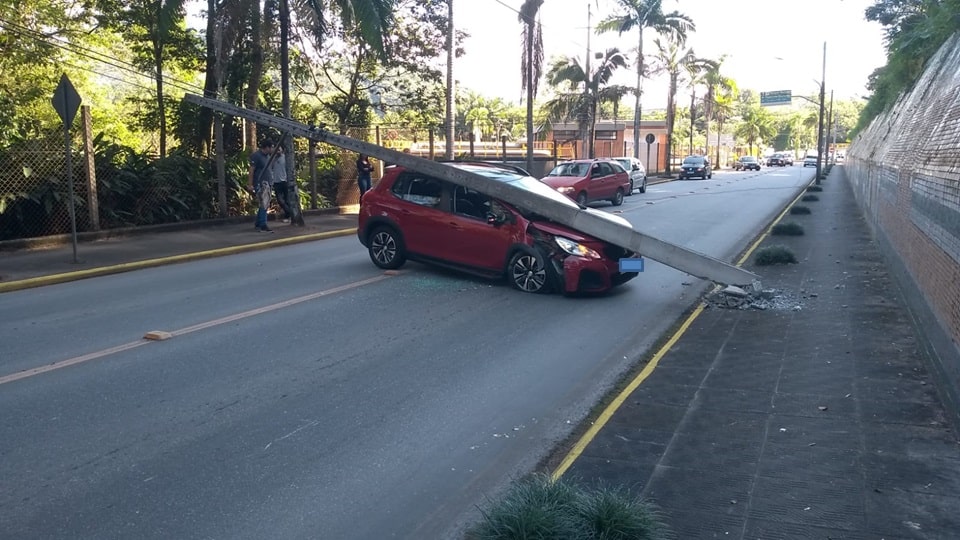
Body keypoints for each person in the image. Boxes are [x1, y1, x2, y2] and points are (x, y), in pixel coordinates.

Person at [248, 139, 275, 232]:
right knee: (264, 203)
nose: (273, 149)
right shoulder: (256, 156)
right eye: (271, 147)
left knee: (265, 204)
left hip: (268, 182)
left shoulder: (268, 156)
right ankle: (263, 224)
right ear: (267, 147)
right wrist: (250, 184)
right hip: (260, 183)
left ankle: (258, 223)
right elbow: (251, 170)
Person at [271, 144, 292, 223]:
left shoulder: (285, 158)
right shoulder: (273, 158)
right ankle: (289, 212)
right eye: (276, 150)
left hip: (285, 181)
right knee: (280, 200)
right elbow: (271, 166)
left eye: (279, 150)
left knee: (287, 199)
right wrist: (274, 157)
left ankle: (288, 215)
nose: (278, 151)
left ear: (282, 150)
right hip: (276, 181)